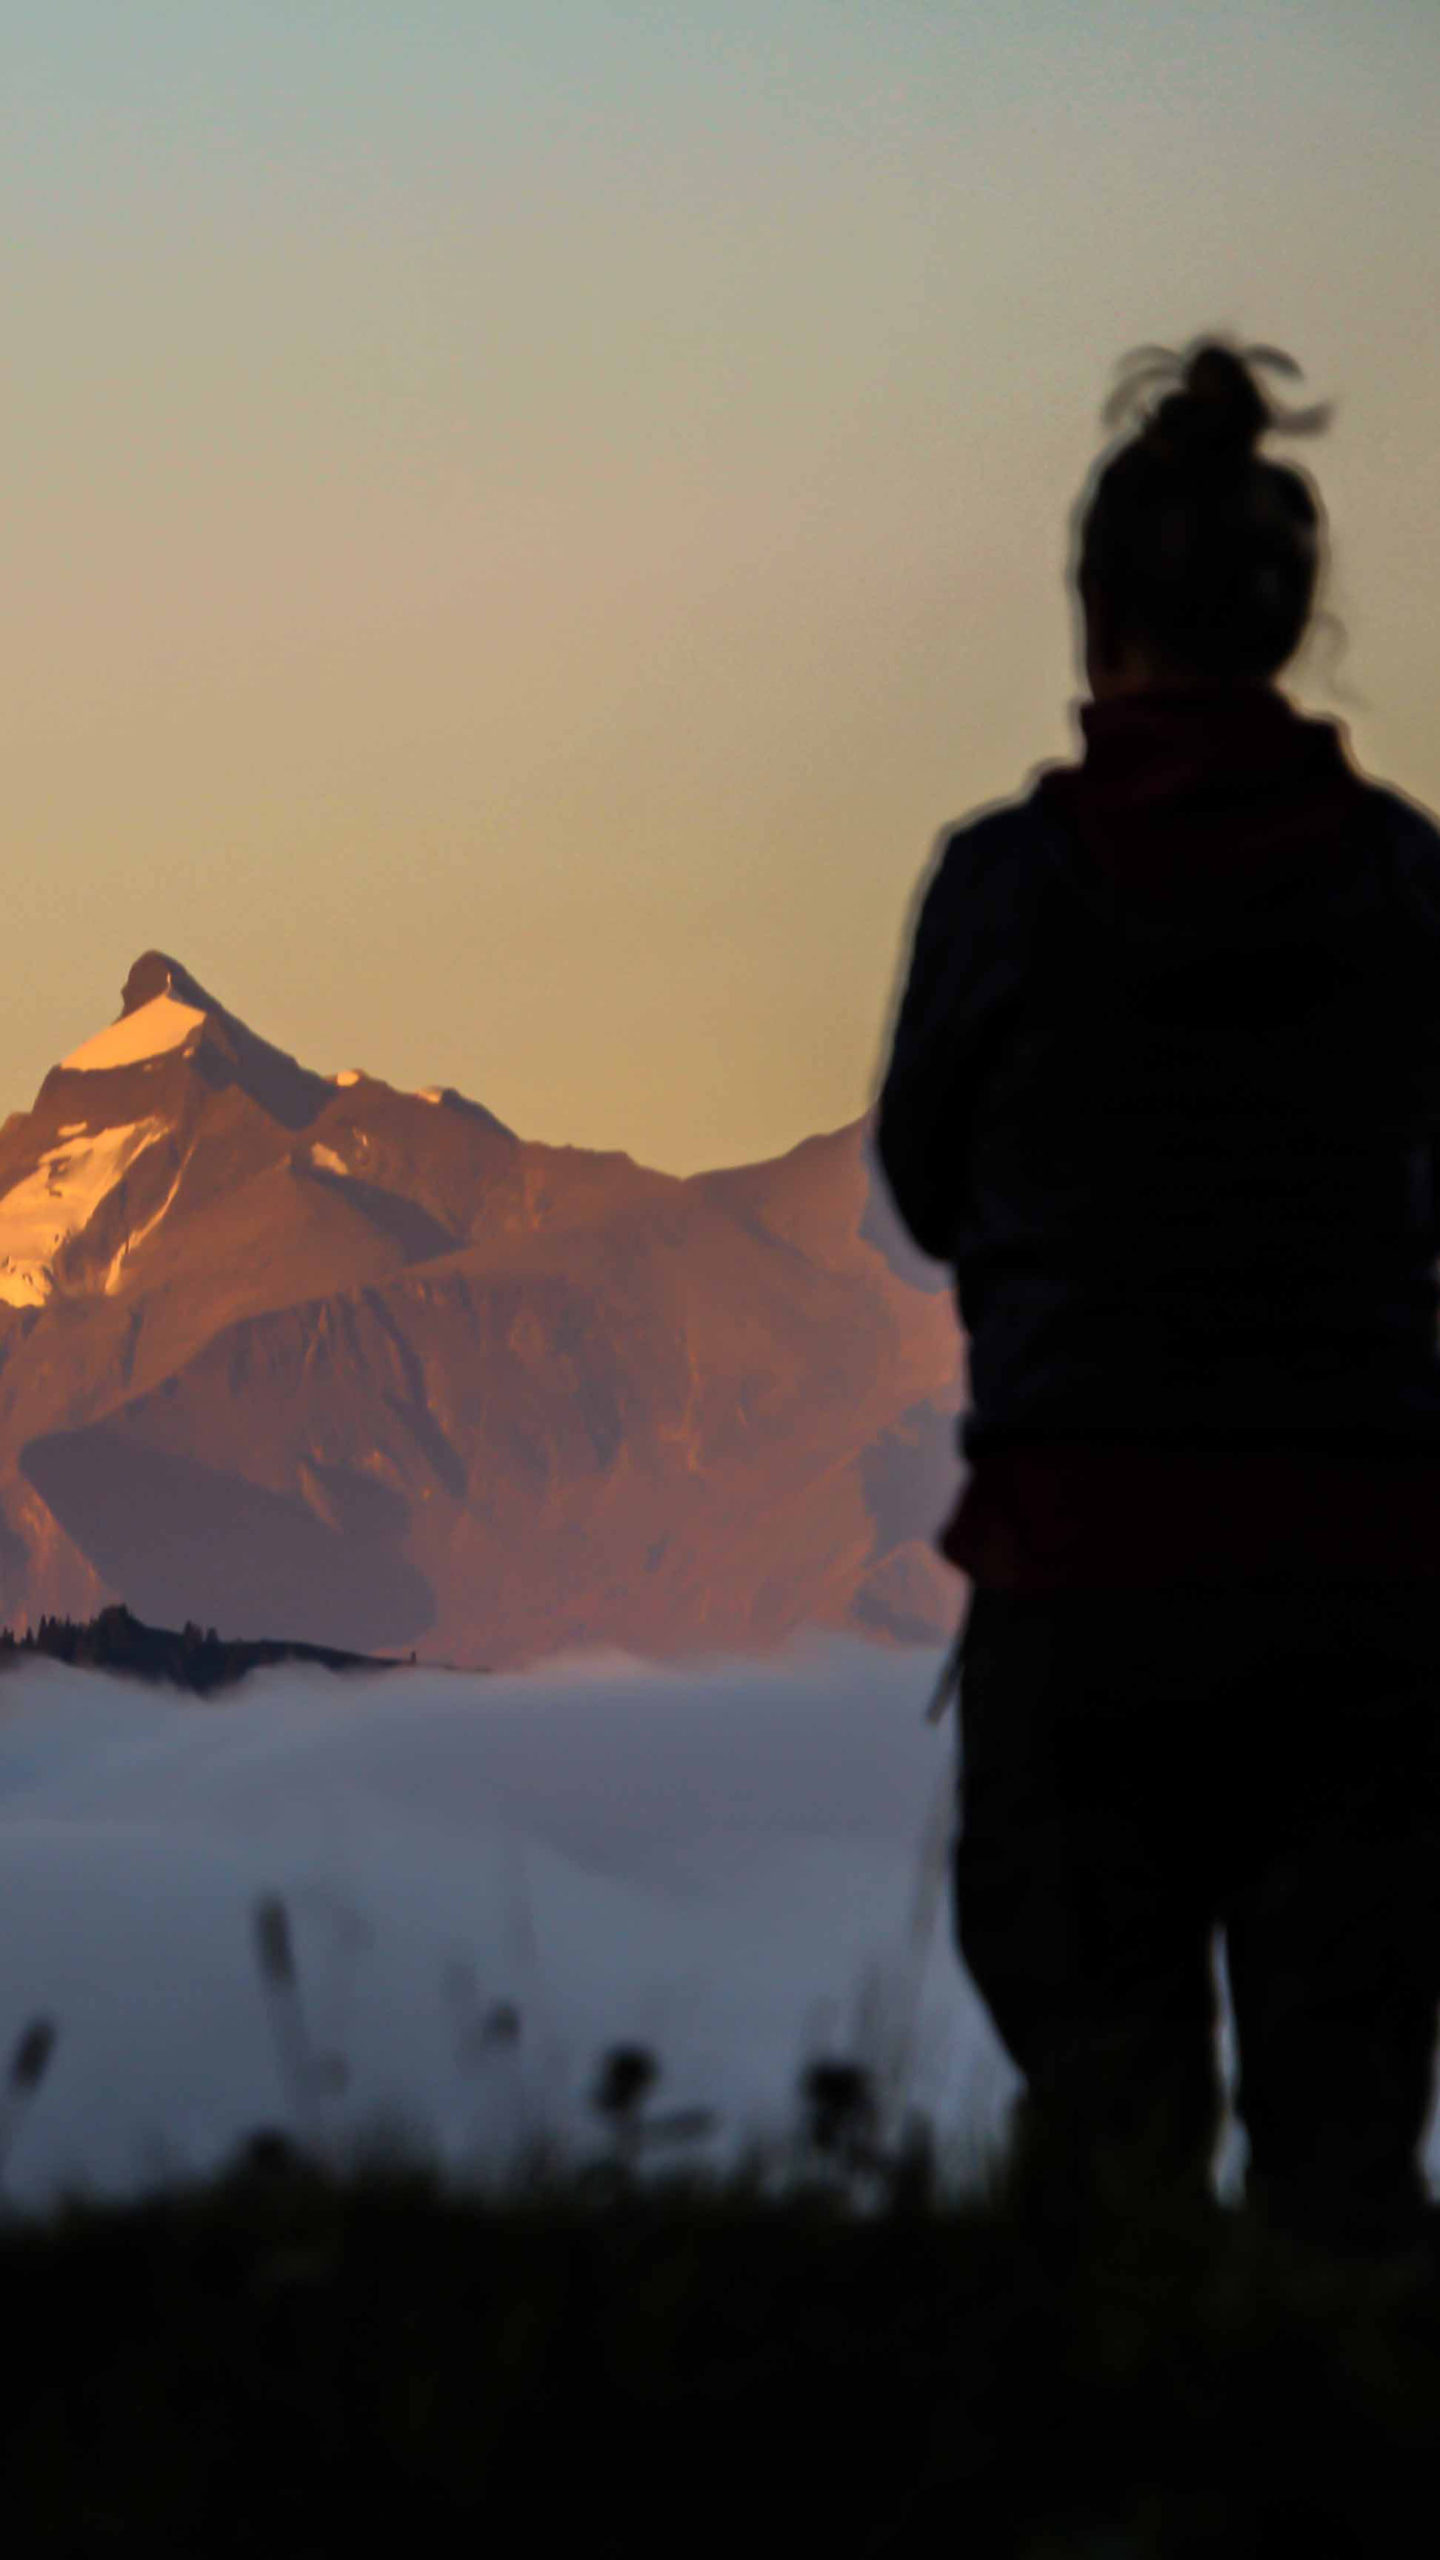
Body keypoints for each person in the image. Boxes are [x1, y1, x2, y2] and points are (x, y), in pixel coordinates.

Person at [874, 333, 1440, 2265]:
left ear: (1097, 617)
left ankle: (1113, 2483)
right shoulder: (1405, 892)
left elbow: (927, 1194)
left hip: (1079, 1582)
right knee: (1348, 2144)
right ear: (1289, 625)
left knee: (1106, 2128)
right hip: (1368, 1586)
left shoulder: (1006, 891)